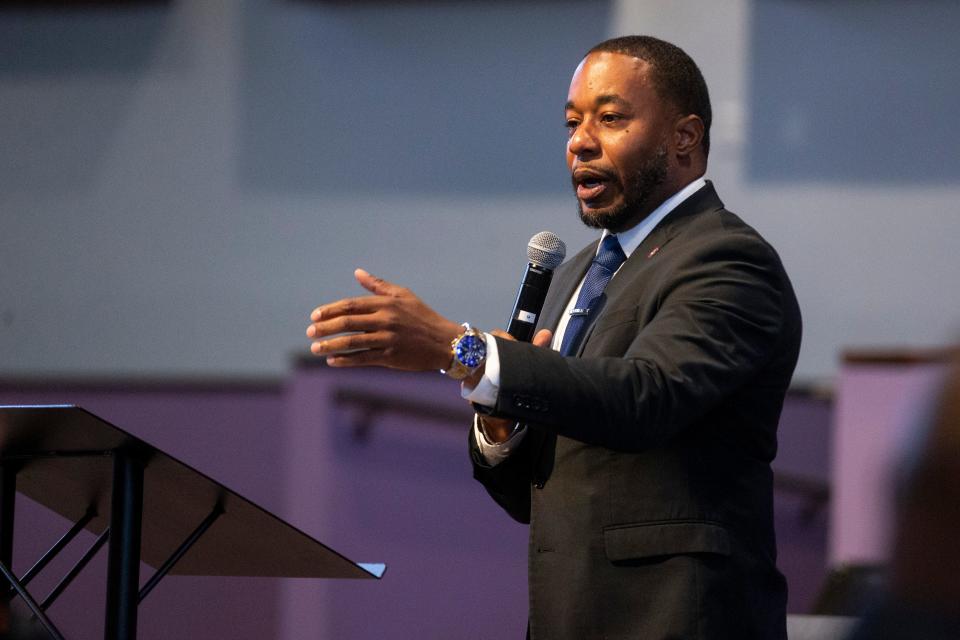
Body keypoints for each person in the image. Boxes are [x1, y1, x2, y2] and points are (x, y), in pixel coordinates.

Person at [307, 35, 801, 640]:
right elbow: (535, 495)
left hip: (677, 619)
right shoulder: (577, 274)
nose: (580, 141)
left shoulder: (727, 257)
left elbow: (644, 400)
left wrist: (458, 350)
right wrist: (500, 423)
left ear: (684, 137)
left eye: (611, 118)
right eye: (572, 122)